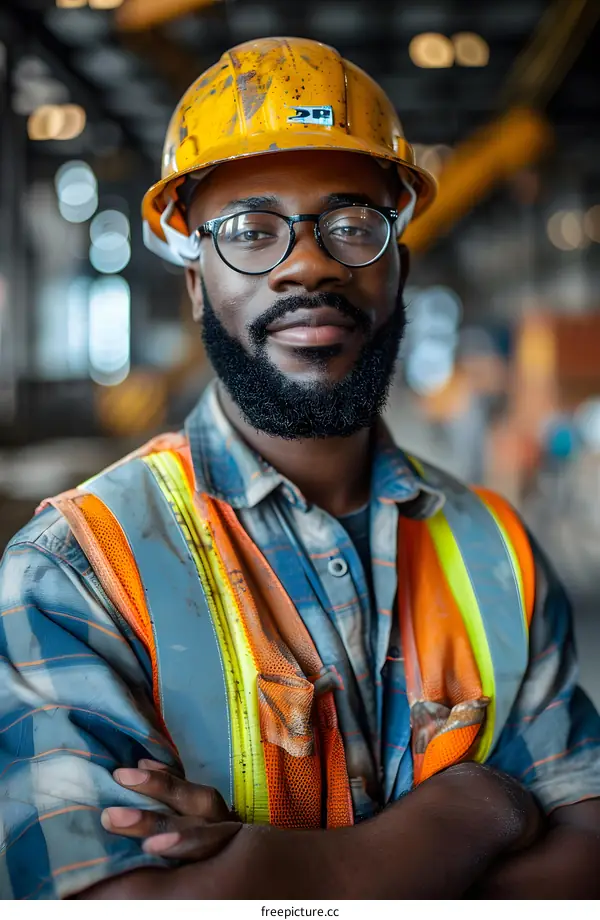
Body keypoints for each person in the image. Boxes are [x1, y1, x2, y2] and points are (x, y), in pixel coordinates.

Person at [1, 36, 600, 901]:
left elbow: (585, 862)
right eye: (250, 231)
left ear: (400, 264)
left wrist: (262, 871)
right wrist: (476, 808)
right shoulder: (73, 570)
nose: (310, 263)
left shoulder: (494, 550)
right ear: (197, 282)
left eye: (354, 225)